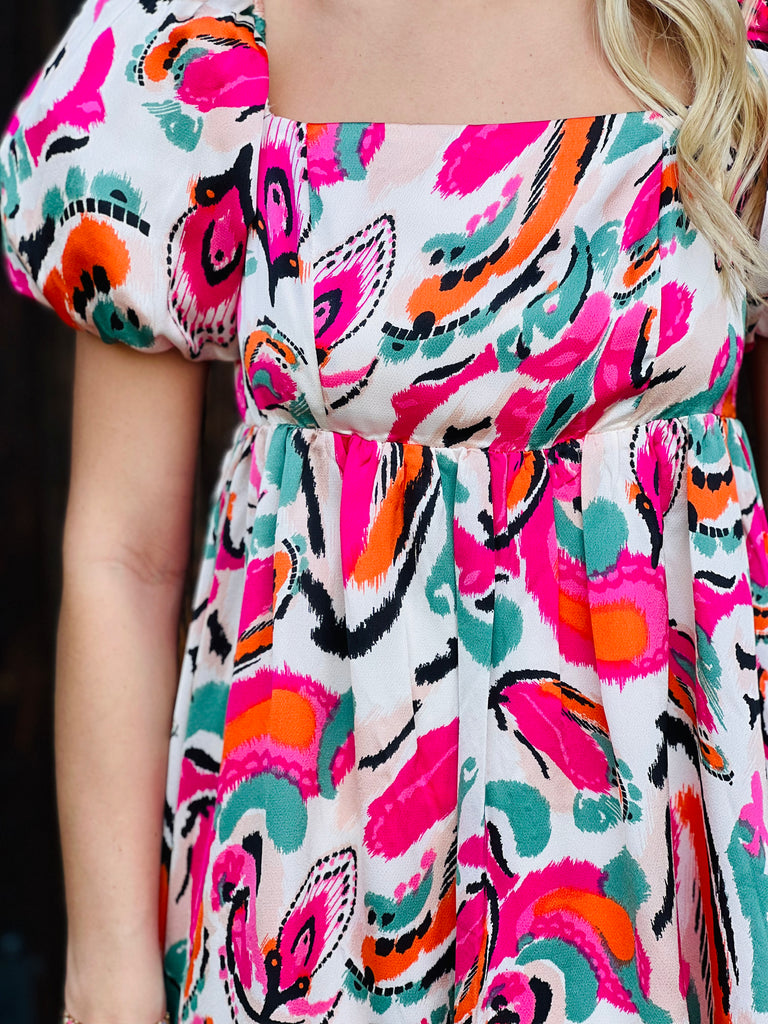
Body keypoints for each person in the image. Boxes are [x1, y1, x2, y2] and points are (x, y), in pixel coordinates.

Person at [3, 0, 768, 1020]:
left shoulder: (730, 30)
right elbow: (123, 556)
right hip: (313, 872)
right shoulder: (186, 37)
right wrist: (108, 980)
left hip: (656, 873)